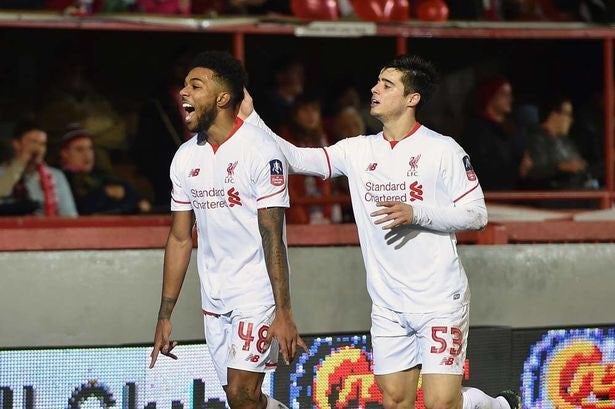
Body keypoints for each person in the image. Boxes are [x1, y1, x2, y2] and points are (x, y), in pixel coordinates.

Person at [241, 55, 519, 409]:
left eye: (387, 85)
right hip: (388, 303)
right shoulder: (357, 150)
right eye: (376, 82)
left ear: (411, 99)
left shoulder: (442, 149)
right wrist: (251, 119)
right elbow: (295, 158)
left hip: (439, 298)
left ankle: (494, 405)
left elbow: (477, 214)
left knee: (440, 404)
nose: (374, 89)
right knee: (395, 400)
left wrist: (416, 213)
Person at [149, 50, 305, 409]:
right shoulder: (185, 157)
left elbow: (273, 237)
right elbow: (179, 237)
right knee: (243, 400)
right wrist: (164, 316)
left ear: (222, 97)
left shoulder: (260, 151)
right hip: (214, 297)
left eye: (195, 85)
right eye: (184, 85)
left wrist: (283, 312)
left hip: (256, 294)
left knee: (240, 392)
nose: (183, 92)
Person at [60, 126, 152, 215]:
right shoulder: (60, 179)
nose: (87, 155)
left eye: (90, 148)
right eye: (79, 150)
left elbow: (129, 192)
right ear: (65, 153)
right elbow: (79, 208)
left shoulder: (101, 175)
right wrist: (104, 193)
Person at [0, 119, 77, 217]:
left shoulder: (56, 176)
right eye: (33, 142)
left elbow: (69, 217)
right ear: (16, 144)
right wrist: (21, 163)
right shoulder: (2, 172)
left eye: (42, 144)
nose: (38, 149)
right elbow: (2, 191)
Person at [522, 95, 597, 191]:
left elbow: (580, 167)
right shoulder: (535, 139)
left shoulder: (566, 142)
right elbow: (535, 171)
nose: (571, 120)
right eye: (568, 114)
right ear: (554, 115)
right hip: (552, 195)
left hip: (576, 190)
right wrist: (561, 167)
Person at [462, 77, 524, 190]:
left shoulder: (510, 129)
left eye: (509, 95)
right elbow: (482, 168)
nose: (510, 99)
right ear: (490, 96)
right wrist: (517, 169)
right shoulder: (477, 130)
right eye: (504, 94)